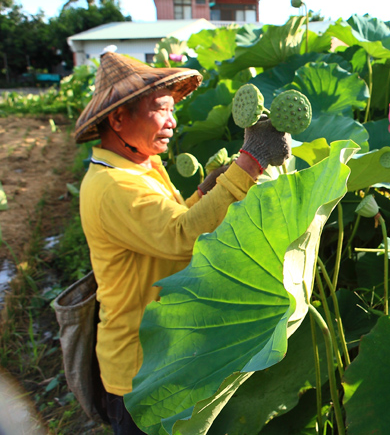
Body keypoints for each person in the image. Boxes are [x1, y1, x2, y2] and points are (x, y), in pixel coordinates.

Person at [73, 51, 287, 434]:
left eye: (173, 109)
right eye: (161, 110)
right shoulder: (111, 186)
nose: (172, 122)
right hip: (138, 371)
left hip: (163, 354)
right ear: (118, 118)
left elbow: (169, 221)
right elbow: (180, 237)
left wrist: (207, 189)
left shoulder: (140, 166)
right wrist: (249, 163)